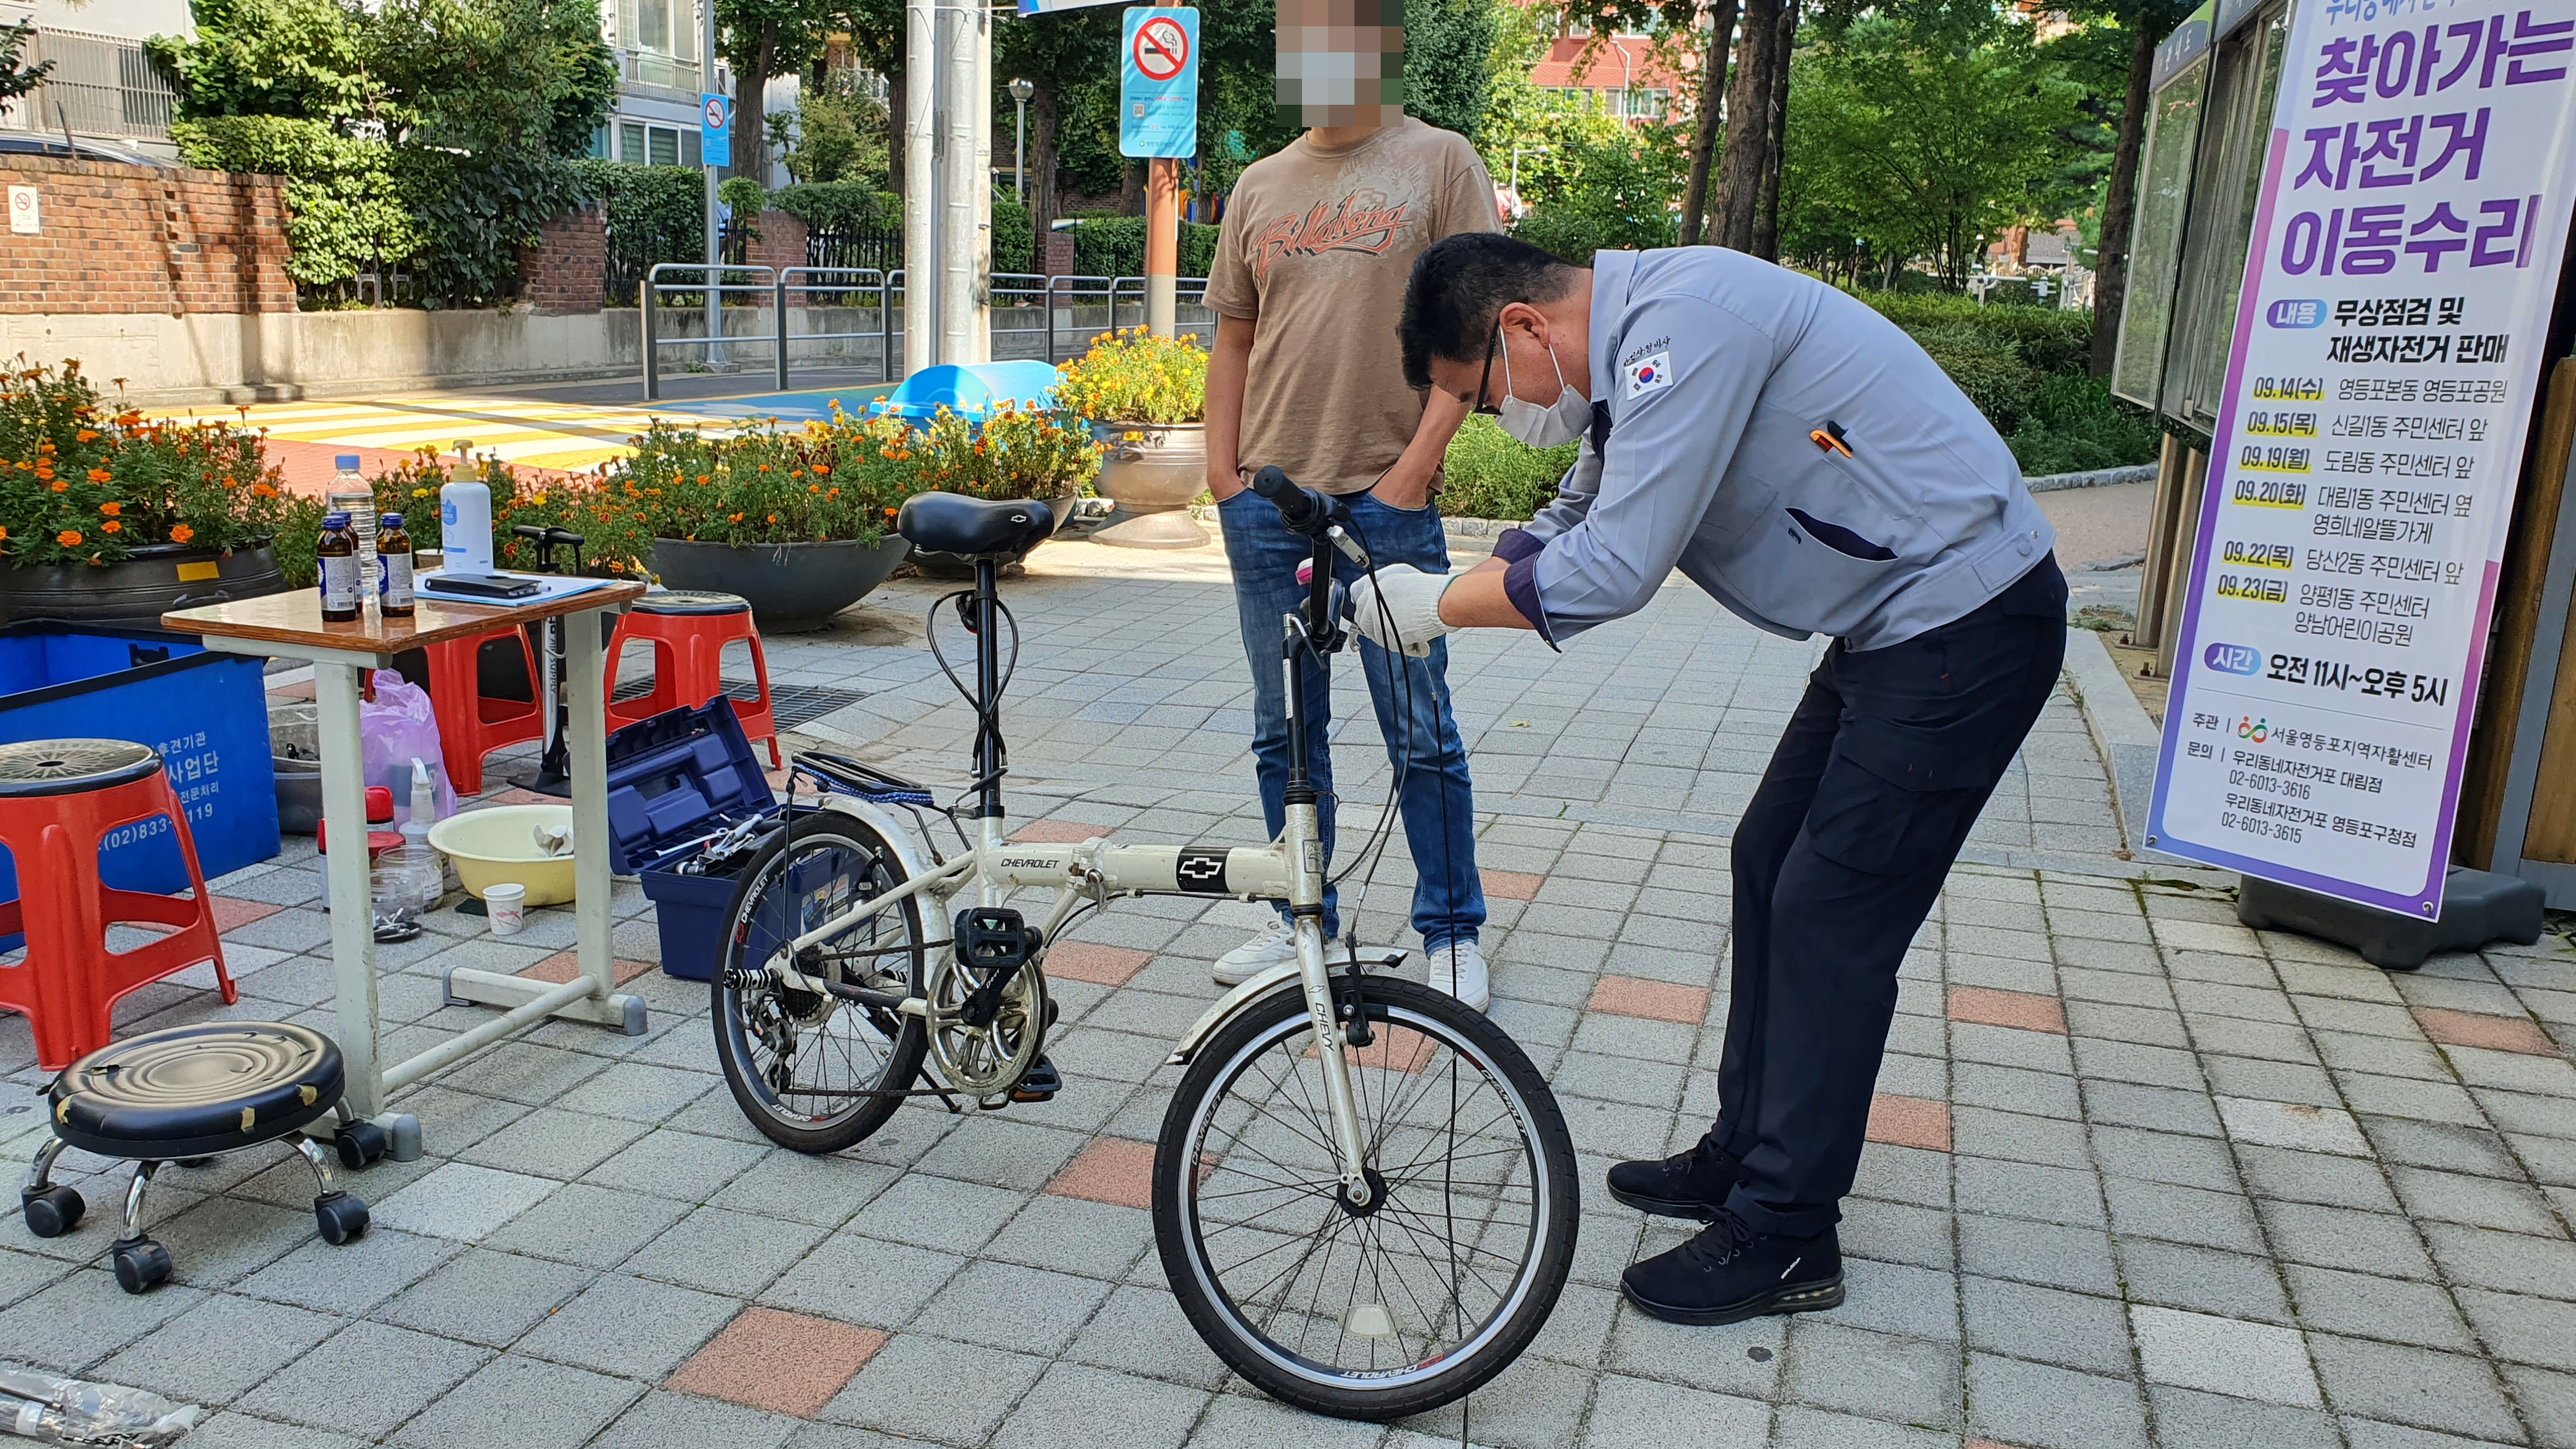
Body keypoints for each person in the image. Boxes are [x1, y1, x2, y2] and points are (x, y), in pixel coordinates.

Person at [1360, 233, 2067, 1324]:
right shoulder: (1641, 339)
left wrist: (1433, 608)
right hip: (1895, 633)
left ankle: (1788, 1231)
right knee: (1771, 858)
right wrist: (1440, 577)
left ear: (1523, 328)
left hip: (1965, 626)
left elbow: (1616, 566)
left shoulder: (1686, 329)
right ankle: (1745, 1153)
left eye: (1482, 395)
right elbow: (1577, 515)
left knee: (1830, 912)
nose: (1500, 416)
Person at [1199, 110, 1502, 1007]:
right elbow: (1234, 338)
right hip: (1267, 498)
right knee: (1282, 731)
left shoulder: (1442, 161)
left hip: (1387, 498)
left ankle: (1451, 929)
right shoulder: (1259, 183)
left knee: (1418, 727)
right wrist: (1224, 477)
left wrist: (1415, 469)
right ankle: (1305, 921)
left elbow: (1479, 330)